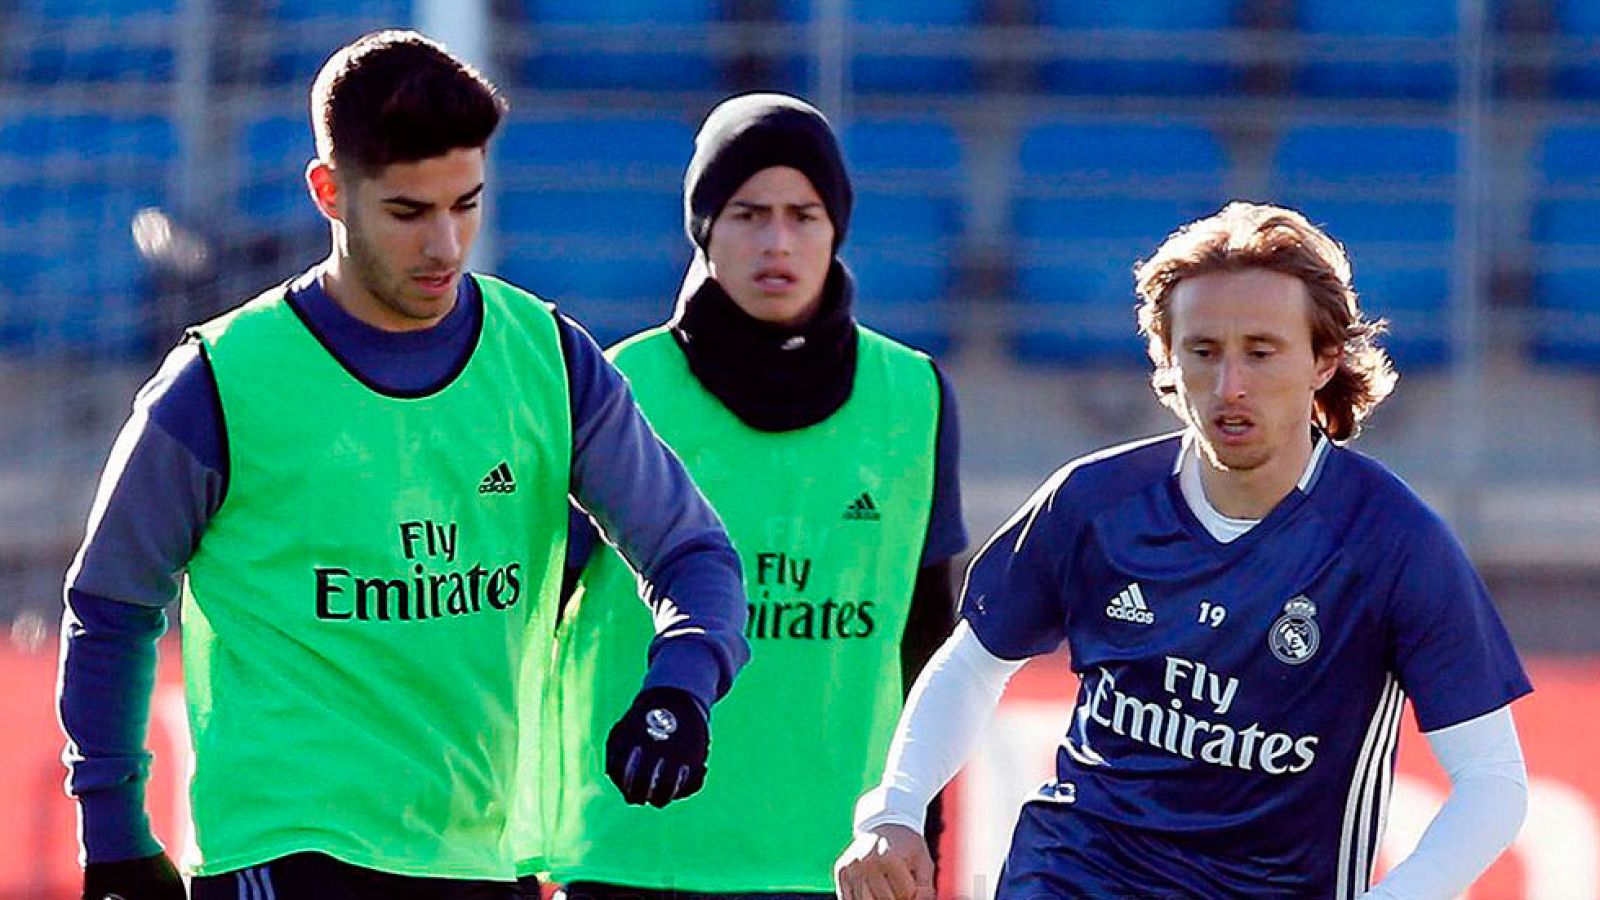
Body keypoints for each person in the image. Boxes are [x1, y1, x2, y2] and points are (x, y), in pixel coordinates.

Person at [59, 30, 748, 900]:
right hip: (286, 849)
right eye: (408, 212)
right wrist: (114, 832)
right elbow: (112, 604)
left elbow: (693, 554)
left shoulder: (546, 359)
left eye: (467, 203)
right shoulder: (220, 383)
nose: (446, 246)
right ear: (329, 193)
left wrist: (682, 682)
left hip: (482, 853)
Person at [835, 201, 1532, 899]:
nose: (1230, 386)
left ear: (1323, 361)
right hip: (1073, 876)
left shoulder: (1392, 544)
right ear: (1168, 359)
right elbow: (972, 664)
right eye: (1203, 352)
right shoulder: (1091, 503)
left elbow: (1492, 784)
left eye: (1261, 351)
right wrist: (895, 808)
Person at [531, 93, 967, 897]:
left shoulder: (916, 397)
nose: (777, 242)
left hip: (839, 860)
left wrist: (920, 831)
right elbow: (530, 621)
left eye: (803, 214)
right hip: (633, 851)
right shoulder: (618, 385)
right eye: (746, 213)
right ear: (703, 229)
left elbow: (927, 643)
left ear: (837, 227)